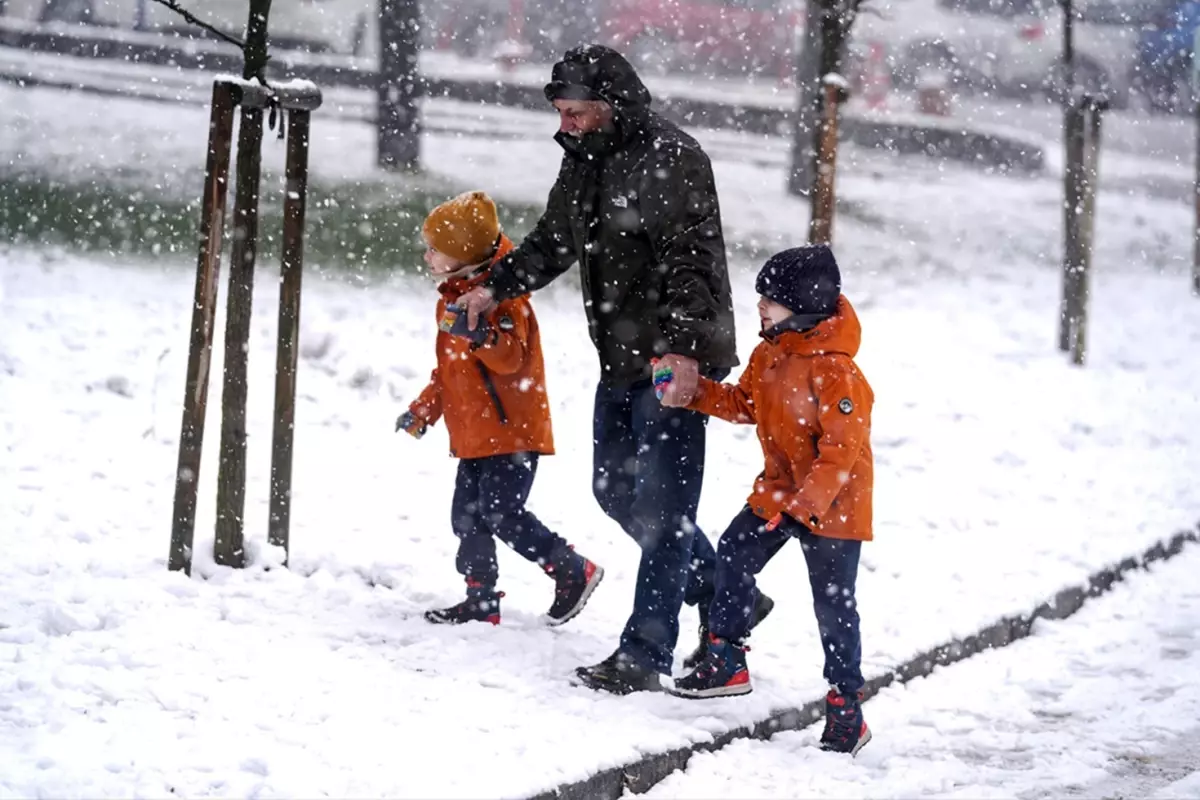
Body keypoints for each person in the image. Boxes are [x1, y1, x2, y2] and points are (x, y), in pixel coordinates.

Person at [455, 44, 773, 694]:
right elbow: (553, 240)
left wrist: (683, 352)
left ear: (611, 105)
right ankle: (724, 591)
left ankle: (644, 655)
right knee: (615, 491)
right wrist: (494, 288)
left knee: (664, 510)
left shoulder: (672, 158)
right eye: (560, 113)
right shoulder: (584, 158)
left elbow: (692, 261)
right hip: (622, 355)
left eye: (574, 112)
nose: (565, 124)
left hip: (672, 359)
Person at [664, 245, 875, 757]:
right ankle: (726, 660)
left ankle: (846, 709)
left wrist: (806, 509)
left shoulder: (837, 372)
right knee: (734, 550)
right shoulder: (771, 355)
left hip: (834, 504)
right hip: (781, 491)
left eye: (771, 299)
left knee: (833, 605)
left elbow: (841, 453)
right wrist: (692, 391)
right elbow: (744, 404)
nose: (760, 305)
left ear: (803, 304)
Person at [396, 190, 604, 627]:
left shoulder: (505, 301)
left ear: (464, 255)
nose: (427, 255)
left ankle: (571, 569)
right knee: (466, 517)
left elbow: (511, 360)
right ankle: (480, 598)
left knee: (502, 514)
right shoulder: (452, 300)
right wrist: (424, 410)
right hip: (475, 434)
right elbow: (450, 372)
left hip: (512, 432)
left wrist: (481, 336)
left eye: (436, 249)